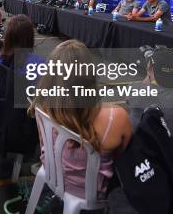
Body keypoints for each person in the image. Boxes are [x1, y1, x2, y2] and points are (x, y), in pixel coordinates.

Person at [32, 40, 133, 201]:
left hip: (52, 174)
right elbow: (126, 156)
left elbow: (43, 142)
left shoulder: (42, 106)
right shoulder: (116, 117)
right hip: (94, 193)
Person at [125, 47, 173, 167]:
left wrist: (150, 70)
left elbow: (141, 90)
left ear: (150, 68)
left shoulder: (136, 90)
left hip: (142, 166)